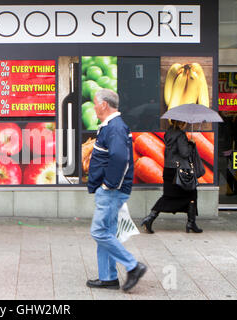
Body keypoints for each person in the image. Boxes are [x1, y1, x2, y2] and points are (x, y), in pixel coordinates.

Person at [86, 89, 147, 292]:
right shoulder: (111, 127)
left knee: (99, 231)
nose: (94, 107)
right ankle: (108, 278)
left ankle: (133, 266)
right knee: (107, 231)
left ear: (104, 105)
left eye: (95, 103)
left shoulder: (115, 127)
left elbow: (120, 158)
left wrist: (108, 185)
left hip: (111, 191)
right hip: (110, 190)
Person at [141, 120, 203, 234]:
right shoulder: (180, 135)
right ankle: (191, 223)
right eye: (185, 124)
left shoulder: (168, 133)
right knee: (192, 193)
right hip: (179, 171)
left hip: (169, 170)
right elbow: (184, 153)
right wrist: (191, 144)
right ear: (182, 124)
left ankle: (150, 218)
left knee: (168, 196)